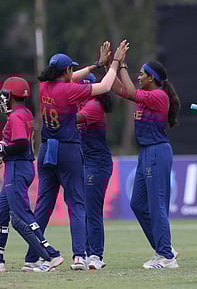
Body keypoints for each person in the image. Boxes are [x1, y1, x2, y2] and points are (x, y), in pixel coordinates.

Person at [24, 40, 129, 271]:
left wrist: (94, 65)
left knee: (43, 205)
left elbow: (70, 78)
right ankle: (79, 256)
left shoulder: (43, 86)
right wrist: (114, 63)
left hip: (46, 150)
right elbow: (103, 87)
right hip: (67, 150)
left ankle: (32, 257)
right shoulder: (69, 90)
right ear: (67, 72)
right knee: (77, 204)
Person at [0, 77, 65, 273]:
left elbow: (20, 144)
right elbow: (12, 142)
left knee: (20, 215)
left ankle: (51, 255)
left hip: (17, 168)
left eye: (4, 94)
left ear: (10, 96)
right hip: (18, 167)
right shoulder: (24, 113)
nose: (2, 98)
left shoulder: (16, 116)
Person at [111, 59, 181, 269]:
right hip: (146, 153)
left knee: (156, 205)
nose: (138, 76)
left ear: (152, 78)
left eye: (141, 73)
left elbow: (130, 91)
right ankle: (163, 248)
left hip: (157, 152)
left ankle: (166, 255)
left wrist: (121, 65)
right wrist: (110, 66)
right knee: (138, 204)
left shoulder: (158, 96)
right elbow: (118, 89)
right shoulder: (145, 97)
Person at [76, 72, 113, 270]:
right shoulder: (84, 104)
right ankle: (86, 252)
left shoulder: (93, 106)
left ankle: (96, 255)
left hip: (97, 165)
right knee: (85, 211)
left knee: (92, 211)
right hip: (87, 163)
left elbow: (71, 120)